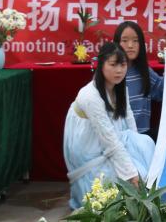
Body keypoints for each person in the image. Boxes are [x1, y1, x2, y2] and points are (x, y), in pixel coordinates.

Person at [63, 43, 155, 210]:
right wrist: (131, 173)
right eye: (113, 65)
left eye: (123, 65)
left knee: (145, 144)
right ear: (101, 65)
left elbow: (129, 122)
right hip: (89, 148)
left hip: (110, 141)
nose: (119, 70)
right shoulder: (90, 96)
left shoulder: (120, 88)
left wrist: (136, 150)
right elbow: (109, 140)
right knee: (124, 184)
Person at [112, 21, 164, 137]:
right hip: (117, 138)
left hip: (142, 137)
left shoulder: (144, 72)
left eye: (135, 41)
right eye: (125, 40)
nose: (130, 45)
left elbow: (163, 90)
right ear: (116, 43)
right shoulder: (109, 72)